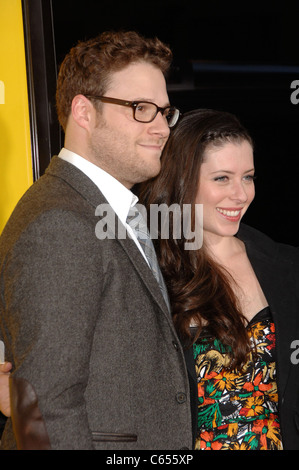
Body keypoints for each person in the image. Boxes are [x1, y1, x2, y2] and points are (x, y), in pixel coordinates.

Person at [0, 31, 193, 450]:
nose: (162, 128)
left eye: (164, 111)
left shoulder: (105, 210)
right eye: (142, 109)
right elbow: (45, 410)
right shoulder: (60, 223)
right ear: (84, 112)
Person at [139, 108, 299, 450]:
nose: (241, 195)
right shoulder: (148, 268)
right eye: (222, 178)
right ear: (183, 180)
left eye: (248, 177)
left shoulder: (287, 265)